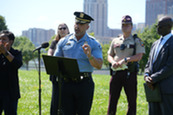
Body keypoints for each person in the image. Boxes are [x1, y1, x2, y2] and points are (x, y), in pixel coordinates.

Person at [54, 11, 103, 115]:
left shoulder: (93, 43)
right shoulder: (63, 41)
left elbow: (99, 65)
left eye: (81, 24)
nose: (77, 26)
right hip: (67, 84)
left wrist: (89, 55)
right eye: (76, 23)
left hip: (84, 84)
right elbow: (55, 62)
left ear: (87, 27)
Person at [107, 15, 145, 115]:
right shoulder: (115, 41)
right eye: (123, 25)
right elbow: (109, 55)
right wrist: (113, 62)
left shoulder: (137, 41)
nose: (125, 27)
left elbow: (139, 56)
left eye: (127, 25)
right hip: (116, 73)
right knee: (112, 100)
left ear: (132, 26)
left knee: (131, 101)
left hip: (129, 73)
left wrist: (126, 60)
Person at [144, 16, 173, 115]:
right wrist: (146, 75)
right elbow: (149, 63)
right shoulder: (155, 43)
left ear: (169, 27)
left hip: (167, 90)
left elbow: (170, 67)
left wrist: (153, 78)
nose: (157, 29)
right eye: (157, 26)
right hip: (153, 89)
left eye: (160, 27)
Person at [47, 23, 69, 115]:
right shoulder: (54, 42)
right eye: (60, 28)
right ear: (58, 31)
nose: (62, 30)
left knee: (66, 98)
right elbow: (50, 53)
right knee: (56, 97)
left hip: (68, 73)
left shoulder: (71, 41)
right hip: (56, 74)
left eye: (64, 28)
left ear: (68, 30)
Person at [0, 30, 23, 115]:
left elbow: (17, 64)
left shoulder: (16, 53)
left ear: (11, 41)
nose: (1, 41)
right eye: (0, 39)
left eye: (4, 39)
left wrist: (5, 52)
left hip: (10, 92)